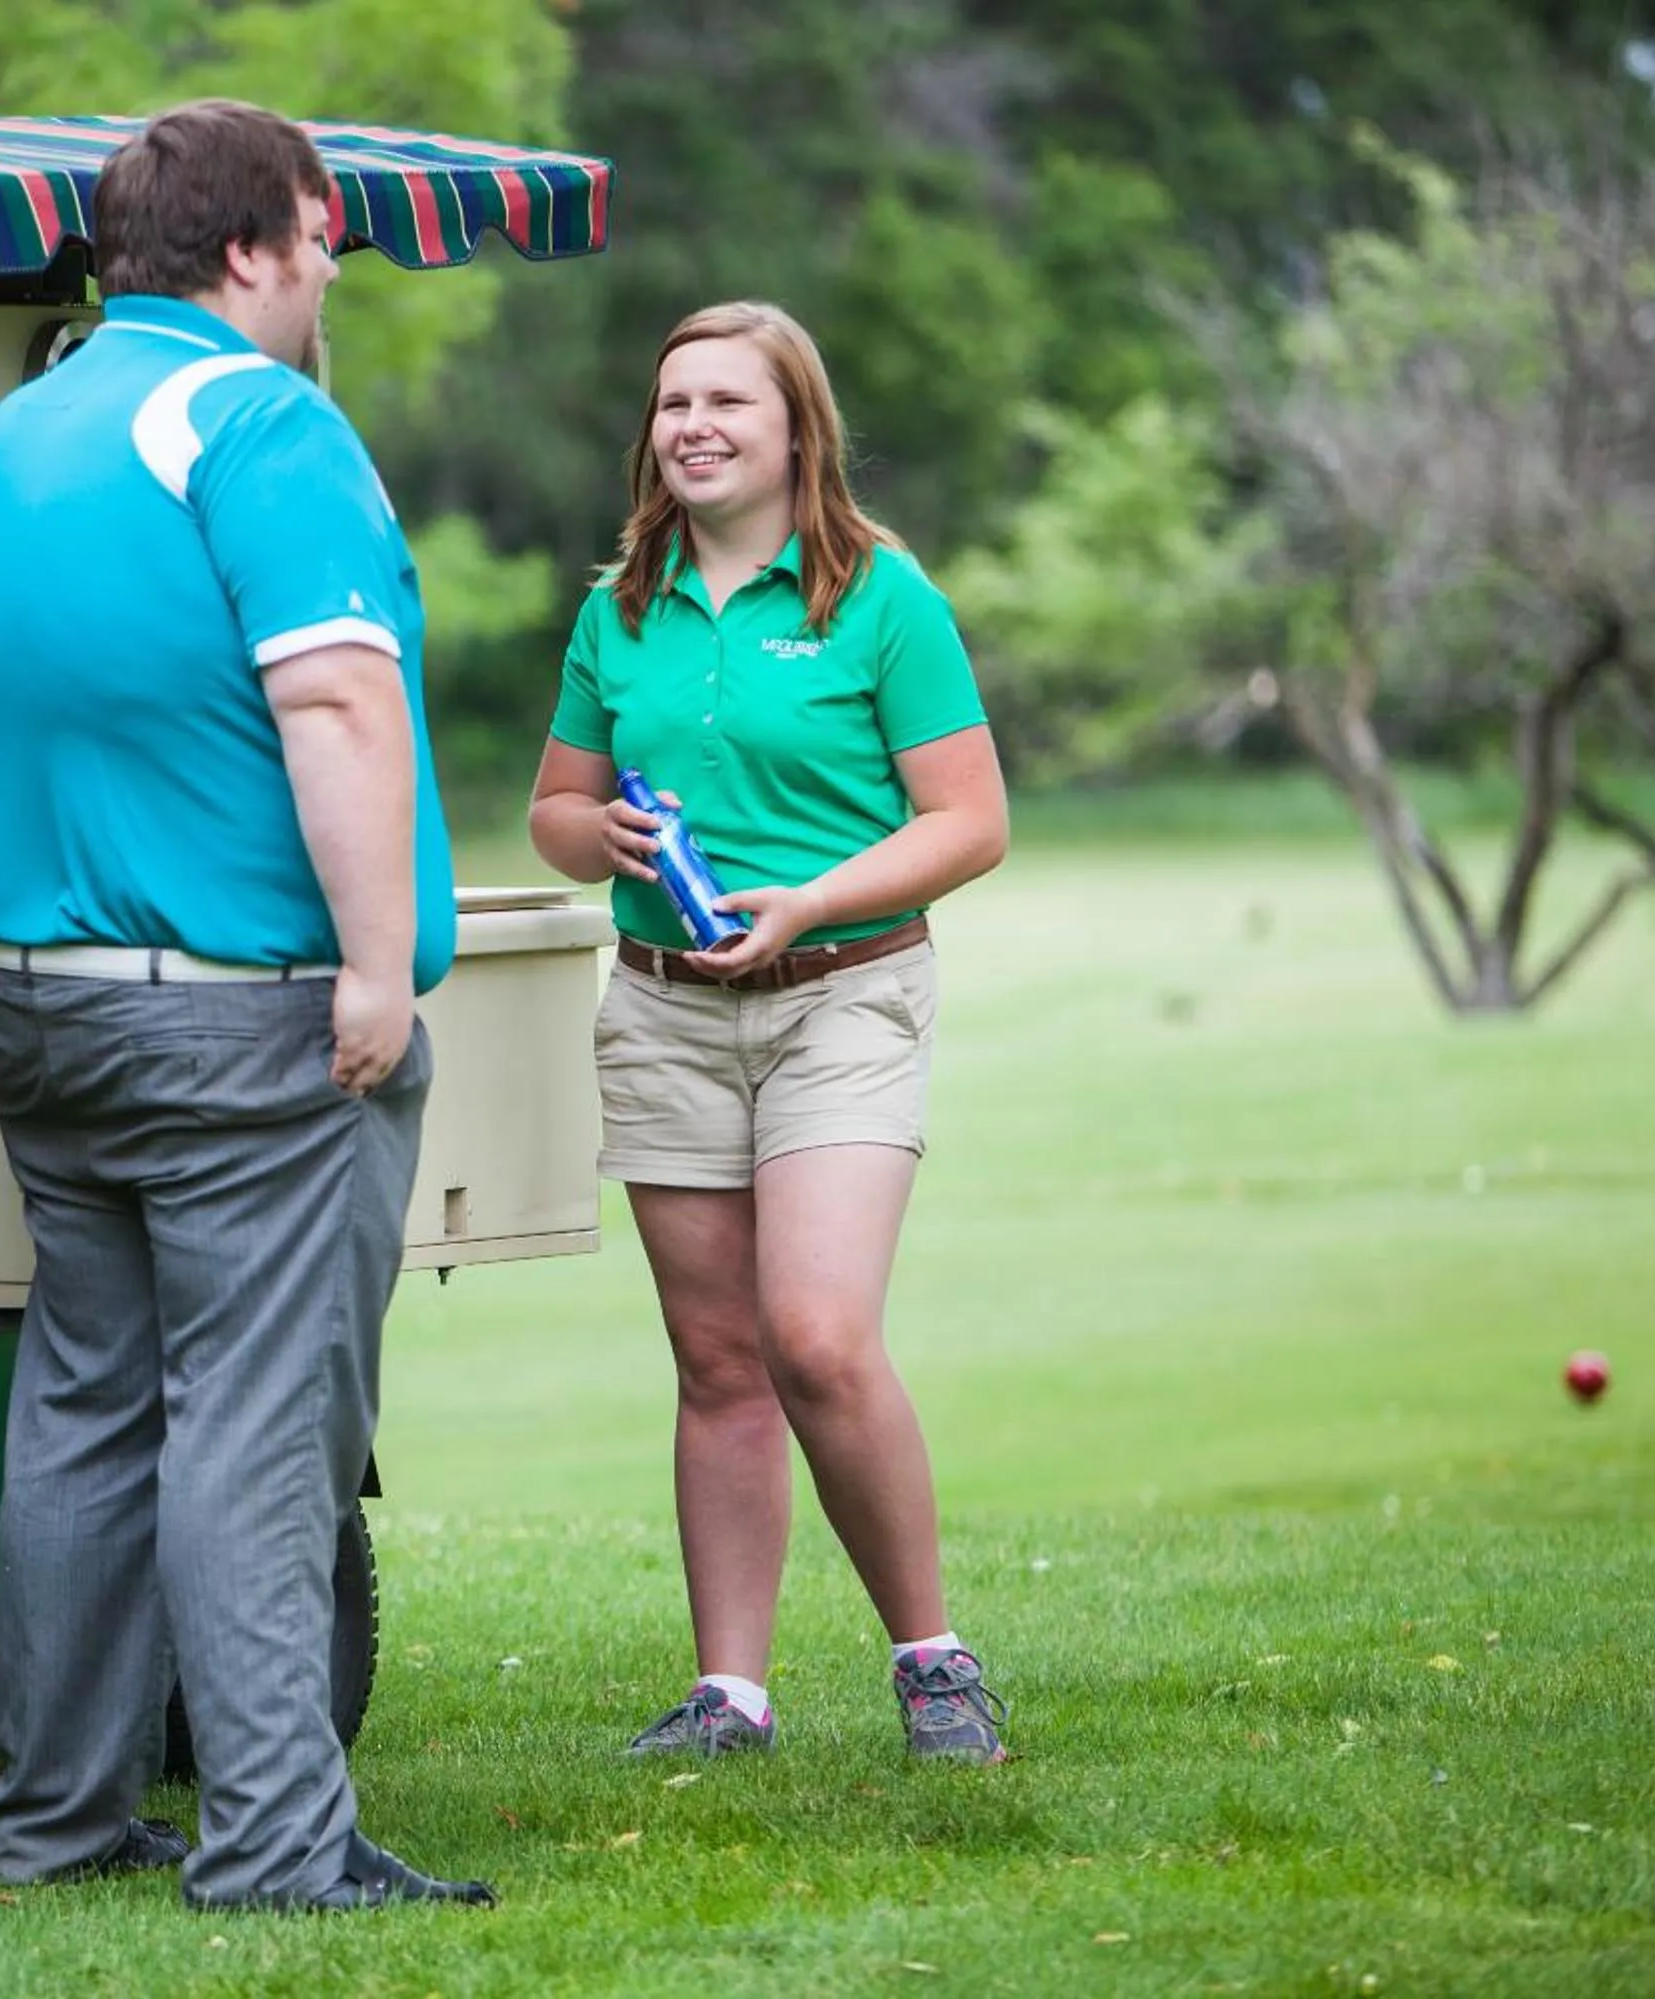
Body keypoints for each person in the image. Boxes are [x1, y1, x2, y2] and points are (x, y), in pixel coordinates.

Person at [0, 100, 491, 1910]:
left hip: (46, 1004)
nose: (328, 279)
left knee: (83, 1404)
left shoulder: (11, 432)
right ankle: (274, 1846)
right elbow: (333, 705)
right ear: (253, 246)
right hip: (245, 1015)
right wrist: (379, 968)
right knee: (257, 1414)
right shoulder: (255, 422)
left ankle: (54, 1815)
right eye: (321, 243)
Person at [526, 301, 1013, 1763]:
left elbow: (970, 824)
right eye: (673, 403)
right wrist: (591, 831)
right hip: (665, 1010)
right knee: (718, 1355)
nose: (693, 427)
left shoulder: (878, 597)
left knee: (815, 1334)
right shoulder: (621, 602)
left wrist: (804, 902)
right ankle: (728, 1694)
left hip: (843, 998)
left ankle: (933, 1664)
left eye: (727, 402)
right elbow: (552, 812)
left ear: (797, 427)